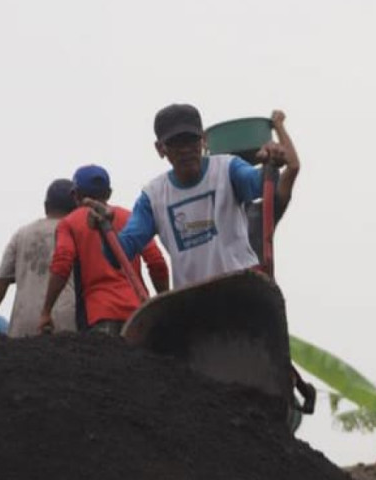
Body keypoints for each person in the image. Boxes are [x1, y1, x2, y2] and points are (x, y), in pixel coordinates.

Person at [90, 104, 289, 290]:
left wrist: (271, 163)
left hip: (241, 284)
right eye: (176, 143)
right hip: (194, 300)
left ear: (203, 140)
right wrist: (105, 228)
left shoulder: (227, 169)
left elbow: (257, 182)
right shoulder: (153, 197)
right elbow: (120, 254)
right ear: (161, 149)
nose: (185, 149)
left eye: (191, 140)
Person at [39, 165, 170, 336]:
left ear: (75, 195)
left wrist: (46, 311)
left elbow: (62, 263)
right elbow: (156, 262)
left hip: (98, 314)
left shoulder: (69, 224)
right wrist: (165, 303)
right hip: (138, 314)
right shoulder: (130, 218)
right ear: (108, 193)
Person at [0, 179, 79, 338]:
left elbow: (1, 281)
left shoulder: (22, 234)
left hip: (24, 324)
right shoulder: (78, 233)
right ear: (76, 208)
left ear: (46, 206)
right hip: (66, 323)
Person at [245, 110, 300, 258]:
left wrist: (278, 127)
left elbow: (293, 166)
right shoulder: (219, 211)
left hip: (257, 276)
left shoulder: (262, 211)